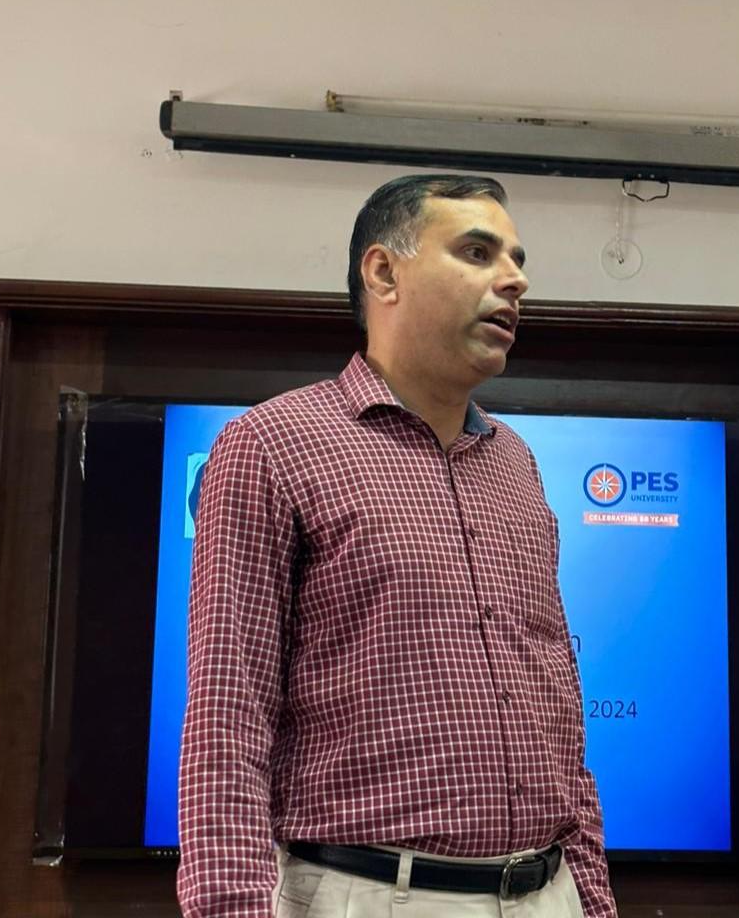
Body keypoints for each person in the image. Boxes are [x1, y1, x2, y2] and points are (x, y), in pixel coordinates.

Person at [177, 174, 618, 918]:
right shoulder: (272, 445)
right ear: (383, 273)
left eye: (516, 260)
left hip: (549, 894)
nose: (515, 280)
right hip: (371, 894)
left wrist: (593, 898)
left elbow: (558, 709)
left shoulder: (516, 462)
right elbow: (229, 713)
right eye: (477, 252)